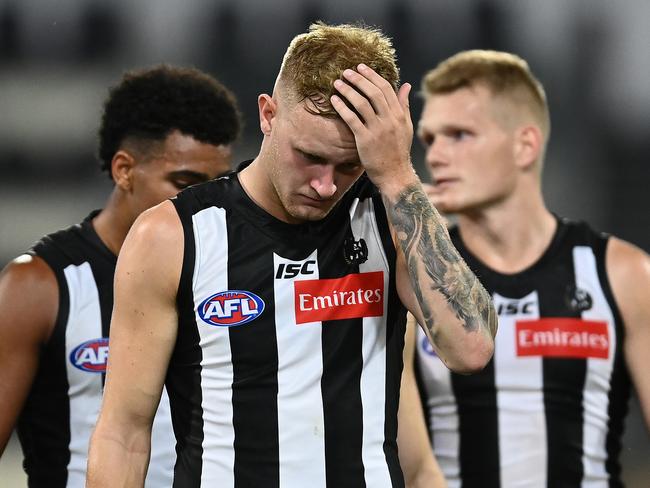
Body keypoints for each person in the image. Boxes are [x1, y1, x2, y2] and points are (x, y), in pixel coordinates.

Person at [86, 22, 497, 487]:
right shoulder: (173, 236)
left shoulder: (392, 217)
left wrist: (399, 173)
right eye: (309, 155)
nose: (325, 184)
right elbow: (123, 432)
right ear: (268, 114)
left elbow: (472, 348)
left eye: (348, 165)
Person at [412, 50, 650, 487]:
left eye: (459, 135)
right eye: (429, 140)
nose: (437, 156)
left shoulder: (624, 274)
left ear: (525, 145)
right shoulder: (416, 279)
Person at [0, 65, 241, 487]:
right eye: (185, 182)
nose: (204, 201)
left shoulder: (230, 273)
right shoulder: (38, 286)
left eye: (218, 184)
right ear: (124, 170)